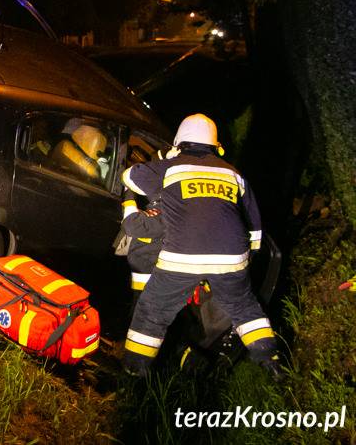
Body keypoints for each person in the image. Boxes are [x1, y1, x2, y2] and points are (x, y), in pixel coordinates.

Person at [120, 114, 281, 378]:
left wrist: (168, 161)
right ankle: (270, 360)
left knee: (153, 311)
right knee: (244, 308)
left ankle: (134, 370)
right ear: (216, 146)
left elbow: (131, 177)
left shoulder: (171, 167)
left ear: (178, 142)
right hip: (232, 257)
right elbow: (254, 224)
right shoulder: (234, 173)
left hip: (182, 257)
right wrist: (245, 259)